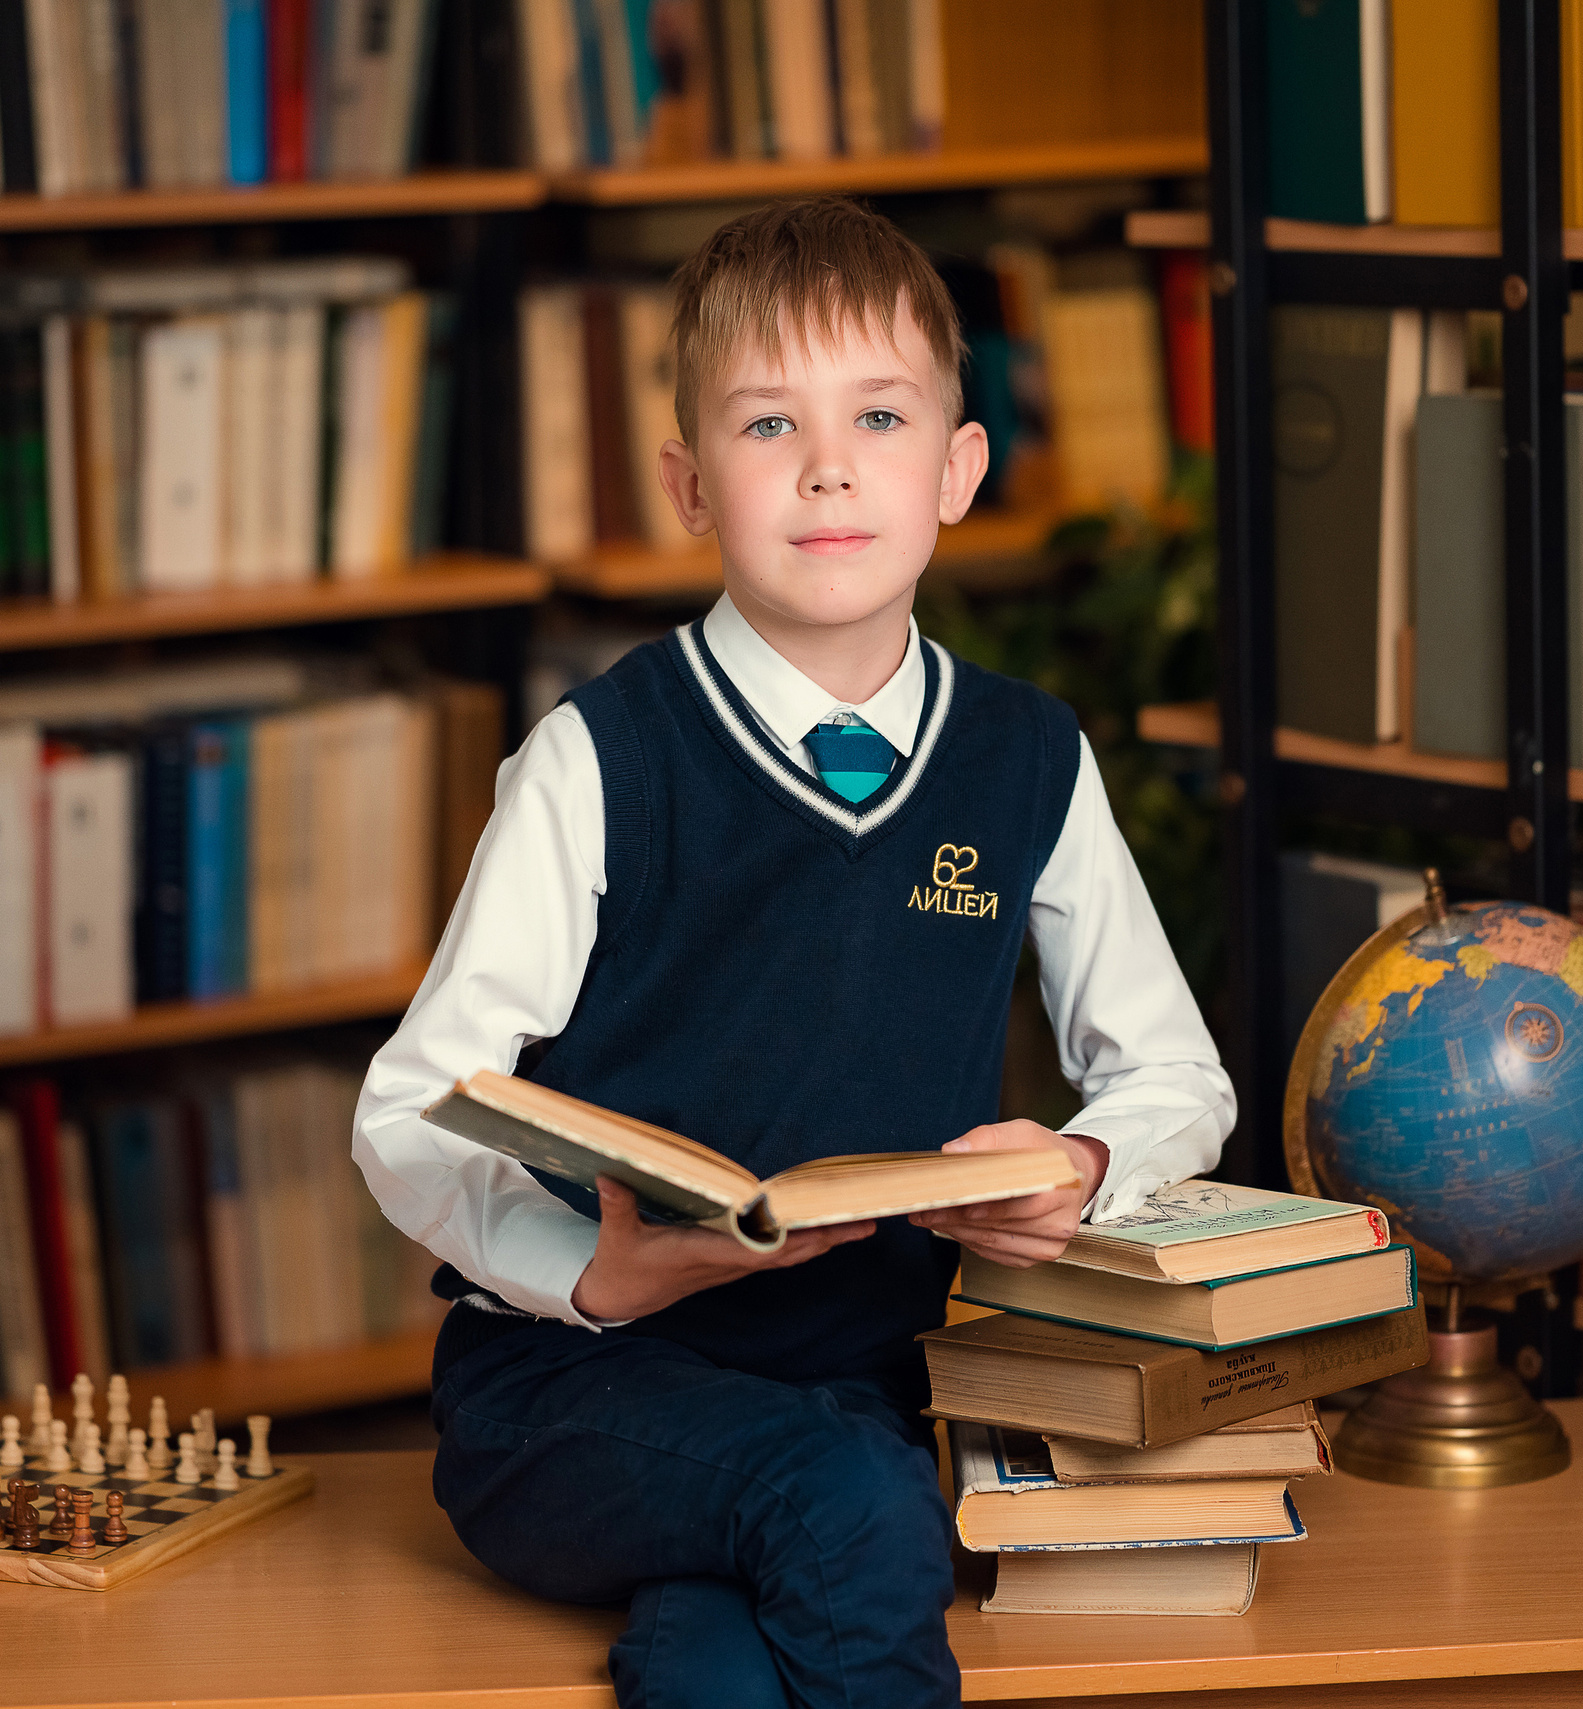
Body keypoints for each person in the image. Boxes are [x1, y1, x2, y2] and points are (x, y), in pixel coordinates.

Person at [352, 195, 1233, 1708]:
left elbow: (1172, 1070)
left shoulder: (1025, 755)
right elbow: (406, 1110)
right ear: (692, 484)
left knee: (720, 1652)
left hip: (858, 1392)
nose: (827, 465)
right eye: (769, 427)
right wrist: (597, 1271)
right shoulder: (600, 755)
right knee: (845, 1504)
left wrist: (1082, 1171)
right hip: (573, 1391)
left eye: (878, 415)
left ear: (957, 469)